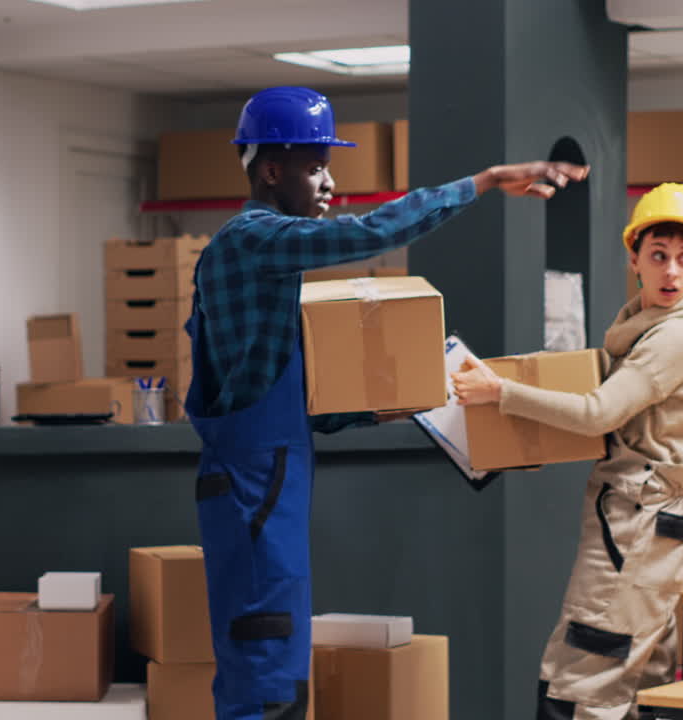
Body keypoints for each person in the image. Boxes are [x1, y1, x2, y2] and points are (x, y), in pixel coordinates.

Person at [182, 85, 588, 720]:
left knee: (275, 658)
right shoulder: (252, 240)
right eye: (315, 167)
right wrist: (482, 182)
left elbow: (274, 390)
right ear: (271, 171)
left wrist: (382, 407)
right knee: (264, 664)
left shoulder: (263, 265)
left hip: (263, 480)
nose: (329, 182)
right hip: (252, 489)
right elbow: (369, 233)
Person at [451, 182, 683, 720]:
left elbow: (598, 414)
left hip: (640, 521)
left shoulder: (676, 339)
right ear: (635, 259)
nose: (672, 271)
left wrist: (501, 393)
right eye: (659, 256)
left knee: (587, 671)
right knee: (635, 668)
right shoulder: (651, 329)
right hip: (642, 518)